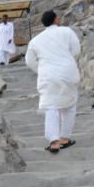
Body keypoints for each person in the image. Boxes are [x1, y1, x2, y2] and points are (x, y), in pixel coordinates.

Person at [25, 10, 82, 153]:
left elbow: (29, 61)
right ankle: (64, 138)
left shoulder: (35, 40)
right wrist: (65, 60)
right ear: (56, 19)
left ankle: (54, 141)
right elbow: (76, 50)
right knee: (69, 105)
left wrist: (41, 70)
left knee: (51, 107)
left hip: (48, 75)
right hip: (67, 71)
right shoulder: (67, 31)